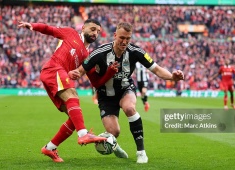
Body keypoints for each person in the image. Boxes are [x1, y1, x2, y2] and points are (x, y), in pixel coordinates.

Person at [69, 22, 184, 163]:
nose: (124, 42)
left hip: (125, 89)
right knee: (114, 132)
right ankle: (114, 145)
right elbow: (81, 70)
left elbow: (157, 69)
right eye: (121, 38)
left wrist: (172, 76)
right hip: (105, 95)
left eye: (128, 38)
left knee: (130, 108)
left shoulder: (136, 52)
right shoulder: (100, 52)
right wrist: (74, 73)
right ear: (115, 35)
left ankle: (141, 152)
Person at [17, 19, 111, 163]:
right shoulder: (70, 33)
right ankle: (84, 134)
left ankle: (50, 147)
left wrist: (110, 72)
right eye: (92, 29)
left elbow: (96, 81)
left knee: (74, 119)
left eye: (98, 31)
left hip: (58, 77)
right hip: (53, 68)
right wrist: (33, 26)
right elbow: (50, 29)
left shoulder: (87, 56)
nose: (95, 33)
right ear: (84, 27)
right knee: (73, 96)